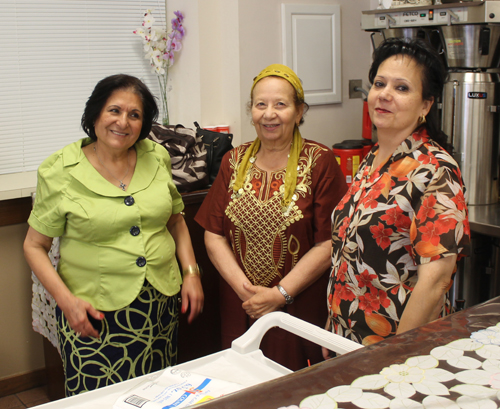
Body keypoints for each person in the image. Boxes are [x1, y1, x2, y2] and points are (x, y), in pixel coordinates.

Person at [23, 74, 204, 395]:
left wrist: (191, 273)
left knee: (156, 394)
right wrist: (67, 303)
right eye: (114, 111)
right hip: (91, 311)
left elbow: (175, 221)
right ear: (94, 115)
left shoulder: (156, 156)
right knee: (98, 400)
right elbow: (34, 246)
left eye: (135, 115)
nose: (124, 122)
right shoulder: (60, 170)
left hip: (157, 305)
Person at [195, 64, 348, 371]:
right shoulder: (233, 161)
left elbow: (329, 242)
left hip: (299, 308)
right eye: (260, 104)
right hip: (243, 306)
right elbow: (213, 234)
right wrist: (246, 292)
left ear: (299, 110)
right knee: (244, 384)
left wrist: (279, 295)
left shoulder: (320, 161)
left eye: (281, 104)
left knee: (297, 387)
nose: (269, 114)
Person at [325, 38, 470, 351]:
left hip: (399, 349)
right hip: (347, 339)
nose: (385, 94)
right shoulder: (372, 159)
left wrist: (392, 359)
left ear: (425, 105)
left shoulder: (435, 170)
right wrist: (334, 322)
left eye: (402, 88)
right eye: (379, 83)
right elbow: (348, 253)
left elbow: (436, 282)